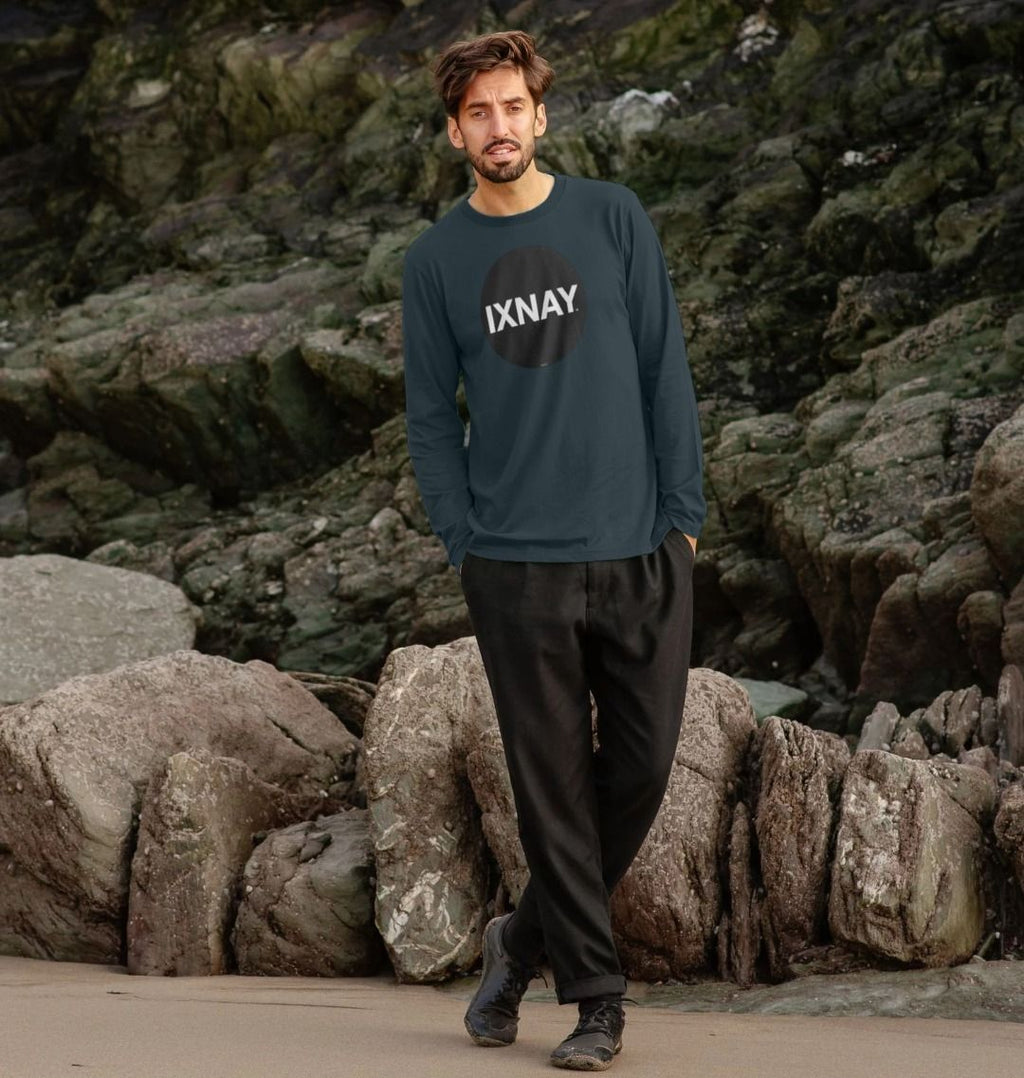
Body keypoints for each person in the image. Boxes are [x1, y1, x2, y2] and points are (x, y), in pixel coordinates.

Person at [401, 29, 704, 1072]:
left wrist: (685, 514)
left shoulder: (611, 217)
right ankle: (595, 1000)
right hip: (514, 564)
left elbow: (665, 365)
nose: (498, 127)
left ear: (540, 115)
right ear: (455, 132)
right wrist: (462, 539)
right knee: (552, 789)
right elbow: (430, 419)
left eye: (512, 108)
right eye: (477, 113)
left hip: (639, 548)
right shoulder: (436, 261)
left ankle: (520, 939)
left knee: (644, 765)